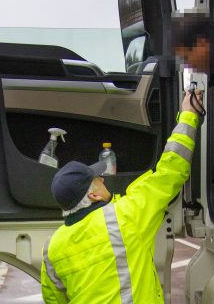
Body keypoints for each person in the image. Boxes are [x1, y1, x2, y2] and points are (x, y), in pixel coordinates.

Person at [40, 87, 204, 303]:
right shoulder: (125, 217)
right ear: (94, 196)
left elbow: (54, 300)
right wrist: (189, 115)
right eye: (98, 179)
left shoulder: (52, 248)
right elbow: (171, 170)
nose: (104, 179)